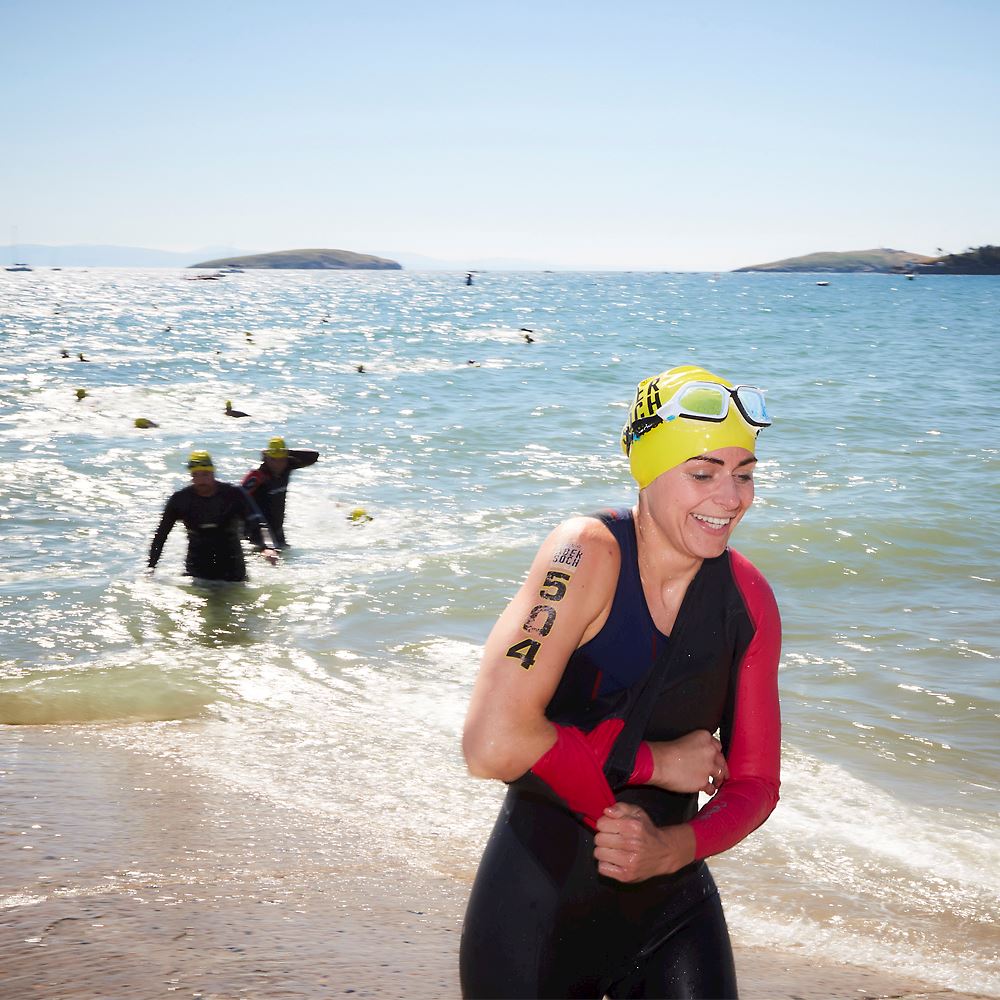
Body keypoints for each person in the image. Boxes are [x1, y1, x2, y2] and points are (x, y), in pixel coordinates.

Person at [460, 365, 782, 999]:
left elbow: (756, 785)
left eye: (744, 474)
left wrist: (674, 848)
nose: (730, 497)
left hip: (671, 905)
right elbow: (492, 743)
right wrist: (652, 763)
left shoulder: (749, 599)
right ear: (646, 468)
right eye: (703, 473)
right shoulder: (582, 554)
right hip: (537, 906)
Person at [147, 450, 278, 582]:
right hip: (197, 571)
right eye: (196, 475)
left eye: (205, 474)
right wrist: (151, 567)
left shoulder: (234, 494)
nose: (201, 480)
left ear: (213, 473)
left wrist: (267, 547)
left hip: (232, 570)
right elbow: (161, 535)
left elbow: (257, 521)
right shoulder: (180, 500)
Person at [241, 437, 319, 548]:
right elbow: (237, 496)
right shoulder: (258, 475)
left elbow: (313, 456)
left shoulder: (287, 467)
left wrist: (285, 452)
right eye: (273, 459)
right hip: (257, 533)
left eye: (281, 460)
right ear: (266, 458)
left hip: (277, 531)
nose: (278, 464)